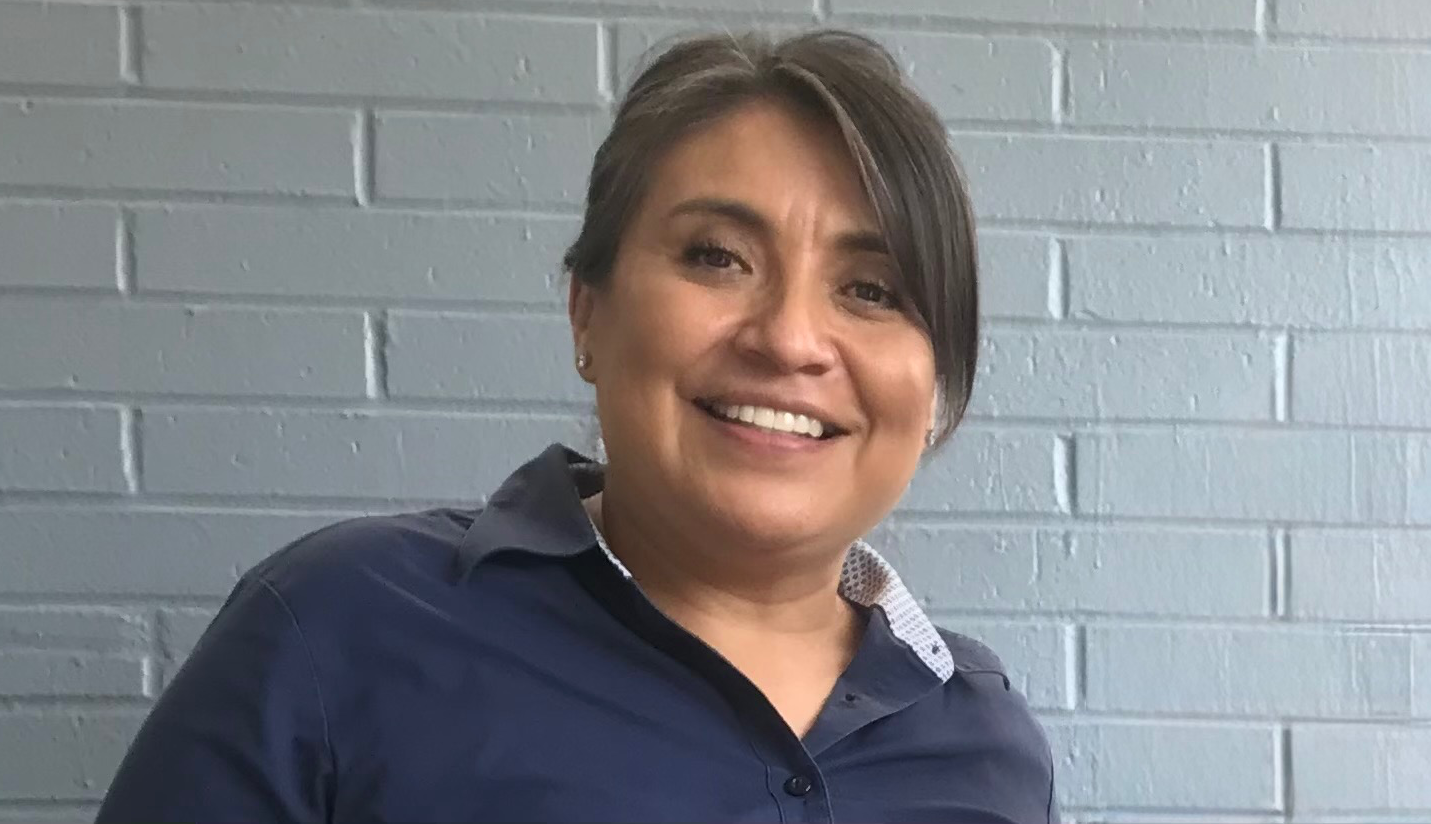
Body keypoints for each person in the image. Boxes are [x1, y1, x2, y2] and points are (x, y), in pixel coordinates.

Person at [96, 29, 1058, 824]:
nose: (790, 339)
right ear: (587, 312)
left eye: (872, 290)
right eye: (718, 257)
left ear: (935, 384)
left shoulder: (986, 742)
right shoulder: (336, 630)